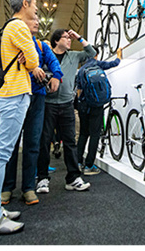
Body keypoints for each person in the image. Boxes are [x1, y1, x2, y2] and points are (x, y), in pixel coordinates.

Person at [0, 0, 39, 236]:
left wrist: (27, 57)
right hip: (15, 94)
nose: (36, 9)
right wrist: (28, 58)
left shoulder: (9, 28)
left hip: (9, 94)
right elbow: (33, 62)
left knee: (0, 154)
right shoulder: (19, 27)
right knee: (0, 155)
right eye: (34, 5)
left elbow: (29, 59)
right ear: (25, 4)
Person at [1, 16, 63, 206]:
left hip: (37, 98)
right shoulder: (14, 40)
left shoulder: (42, 46)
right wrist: (31, 66)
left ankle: (28, 188)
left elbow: (54, 63)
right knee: (11, 144)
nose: (37, 22)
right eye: (32, 19)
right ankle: (6, 187)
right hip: (16, 95)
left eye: (37, 20)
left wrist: (57, 76)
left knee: (33, 142)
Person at [35, 29, 96, 193]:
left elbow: (92, 53)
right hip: (47, 103)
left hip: (67, 104)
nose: (69, 40)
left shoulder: (74, 56)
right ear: (56, 41)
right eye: (66, 38)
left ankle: (73, 178)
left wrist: (79, 37)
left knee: (70, 142)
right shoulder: (46, 56)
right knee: (44, 142)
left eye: (70, 38)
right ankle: (42, 179)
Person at [75, 48, 122, 175]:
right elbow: (114, 63)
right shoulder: (98, 64)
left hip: (84, 105)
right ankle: (89, 165)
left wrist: (81, 103)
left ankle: (78, 163)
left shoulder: (81, 70)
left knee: (83, 134)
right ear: (96, 55)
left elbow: (79, 90)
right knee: (95, 134)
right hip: (96, 105)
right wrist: (118, 55)